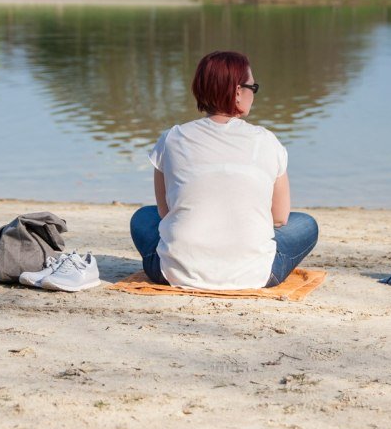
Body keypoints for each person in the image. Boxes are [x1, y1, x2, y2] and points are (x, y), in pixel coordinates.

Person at [129, 50, 319, 290]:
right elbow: (280, 217)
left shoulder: (171, 138)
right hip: (255, 274)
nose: (254, 95)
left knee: (143, 217)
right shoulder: (267, 141)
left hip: (175, 272)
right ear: (238, 92)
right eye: (253, 88)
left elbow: (166, 212)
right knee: (306, 223)